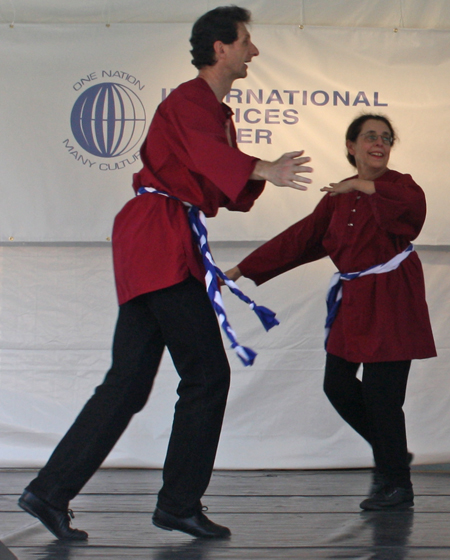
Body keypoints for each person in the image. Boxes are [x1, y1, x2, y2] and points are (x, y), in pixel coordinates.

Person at [17, 5, 313, 541]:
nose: (254, 50)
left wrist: (252, 173)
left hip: (158, 239)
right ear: (220, 47)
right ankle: (177, 503)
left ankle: (49, 490)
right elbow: (208, 159)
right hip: (159, 240)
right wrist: (262, 168)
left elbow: (223, 181)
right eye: (246, 40)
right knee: (206, 375)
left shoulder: (214, 112)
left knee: (127, 384)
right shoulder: (189, 100)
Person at [226, 113, 436, 511]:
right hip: (355, 300)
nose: (380, 142)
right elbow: (301, 238)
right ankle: (391, 452)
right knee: (337, 385)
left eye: (386, 137)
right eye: (370, 136)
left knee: (381, 397)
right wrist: (242, 269)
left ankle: (397, 484)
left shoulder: (401, 185)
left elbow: (412, 214)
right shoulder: (336, 198)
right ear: (350, 146)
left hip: (393, 299)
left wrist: (362, 184)